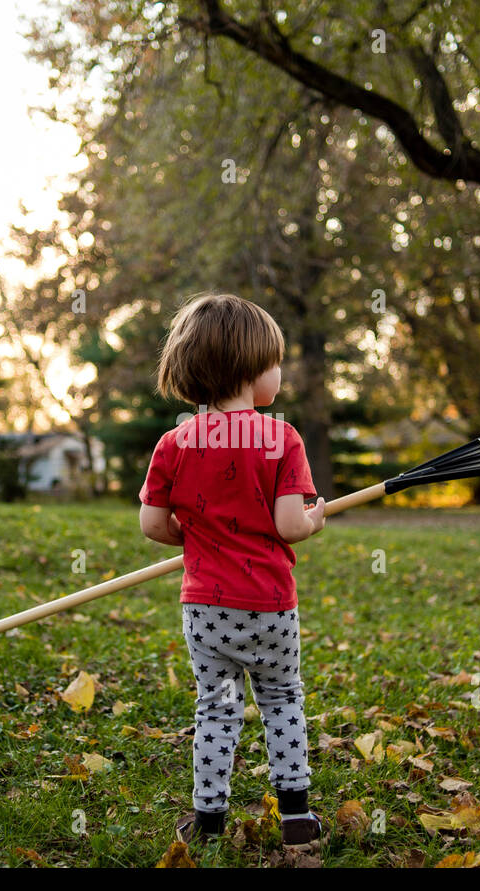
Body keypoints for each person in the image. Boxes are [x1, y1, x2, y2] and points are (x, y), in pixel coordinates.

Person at [139, 292, 327, 848]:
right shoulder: (280, 438)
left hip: (205, 610)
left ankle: (208, 821)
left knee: (216, 709)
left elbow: (153, 524)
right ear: (249, 370)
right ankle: (295, 814)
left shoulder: (175, 442)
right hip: (270, 606)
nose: (280, 374)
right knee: (282, 699)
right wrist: (315, 522)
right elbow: (290, 524)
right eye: (275, 363)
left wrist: (194, 537)